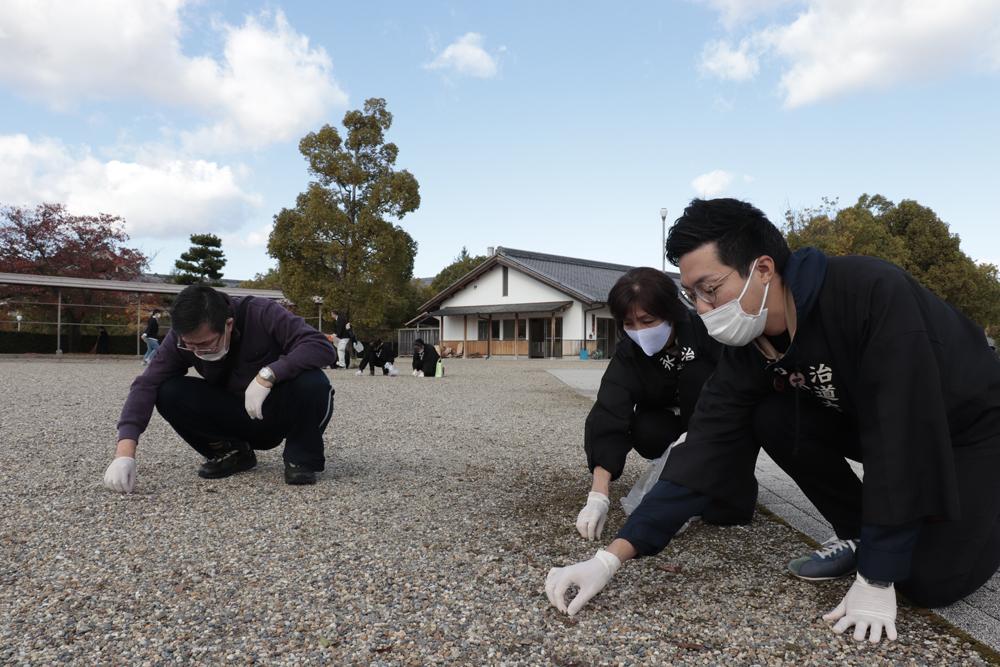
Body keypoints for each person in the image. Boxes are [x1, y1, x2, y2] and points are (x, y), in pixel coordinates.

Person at [545, 198, 1000, 644]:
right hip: (872, 422)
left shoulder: (871, 293)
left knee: (925, 581)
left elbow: (901, 435)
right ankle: (862, 535)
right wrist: (610, 558)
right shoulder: (749, 344)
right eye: (692, 295)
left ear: (762, 269)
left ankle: (907, 540)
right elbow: (705, 445)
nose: (702, 308)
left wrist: (879, 579)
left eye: (710, 288)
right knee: (773, 415)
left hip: (968, 427)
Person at [578, 267, 756, 541]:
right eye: (629, 324)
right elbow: (609, 411)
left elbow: (742, 391)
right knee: (647, 430)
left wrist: (699, 435)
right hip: (670, 426)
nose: (639, 332)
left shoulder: (705, 331)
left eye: (648, 321)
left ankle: (718, 478)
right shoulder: (630, 353)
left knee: (724, 514)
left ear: (671, 314)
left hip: (717, 427)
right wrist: (598, 495)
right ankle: (681, 479)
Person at [104, 283, 337, 491]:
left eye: (205, 344)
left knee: (314, 382)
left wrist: (269, 374)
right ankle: (231, 451)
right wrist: (124, 453)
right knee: (169, 390)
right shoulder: (180, 339)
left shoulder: (262, 312)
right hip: (234, 411)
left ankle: (301, 456)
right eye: (190, 346)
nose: (198, 351)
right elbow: (146, 384)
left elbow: (320, 346)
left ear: (228, 324)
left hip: (280, 407)